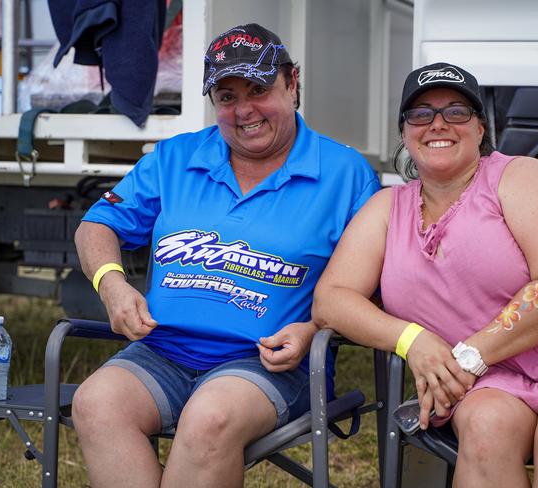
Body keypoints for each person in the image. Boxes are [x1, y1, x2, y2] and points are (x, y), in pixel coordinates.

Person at [72, 23, 379, 488]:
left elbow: (370, 284)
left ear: (293, 83)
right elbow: (97, 225)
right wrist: (111, 284)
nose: (244, 110)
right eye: (226, 96)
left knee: (209, 417)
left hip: (269, 362)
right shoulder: (176, 157)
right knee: (96, 403)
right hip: (163, 351)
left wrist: (315, 328)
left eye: (258, 89)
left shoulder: (345, 174)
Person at [312, 62, 538, 487]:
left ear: (479, 128)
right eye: (421, 114)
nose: (438, 124)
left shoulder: (518, 177)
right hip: (494, 378)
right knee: (484, 429)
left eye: (456, 112)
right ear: (404, 132)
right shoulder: (387, 209)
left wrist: (468, 356)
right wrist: (412, 340)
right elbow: (332, 299)